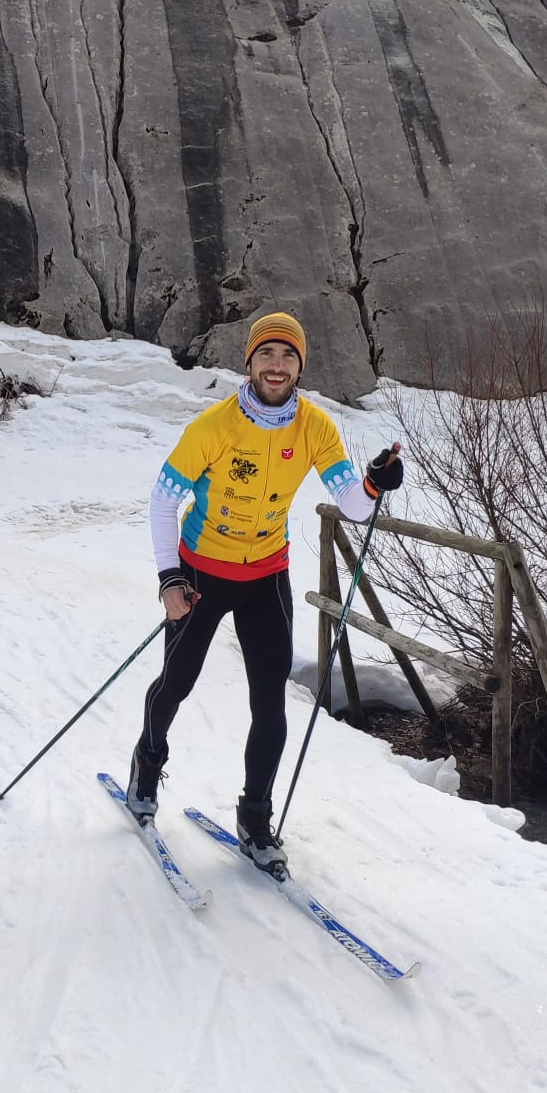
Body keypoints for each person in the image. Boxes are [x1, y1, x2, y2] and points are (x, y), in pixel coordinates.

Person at [128, 311, 403, 875]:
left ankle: (255, 818)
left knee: (269, 703)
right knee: (175, 684)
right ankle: (147, 760)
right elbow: (162, 501)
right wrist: (168, 580)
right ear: (249, 362)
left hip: (266, 579)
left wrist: (374, 482)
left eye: (288, 357)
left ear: (300, 365)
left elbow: (351, 504)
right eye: (266, 355)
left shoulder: (316, 428)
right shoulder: (214, 426)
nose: (277, 367)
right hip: (201, 574)